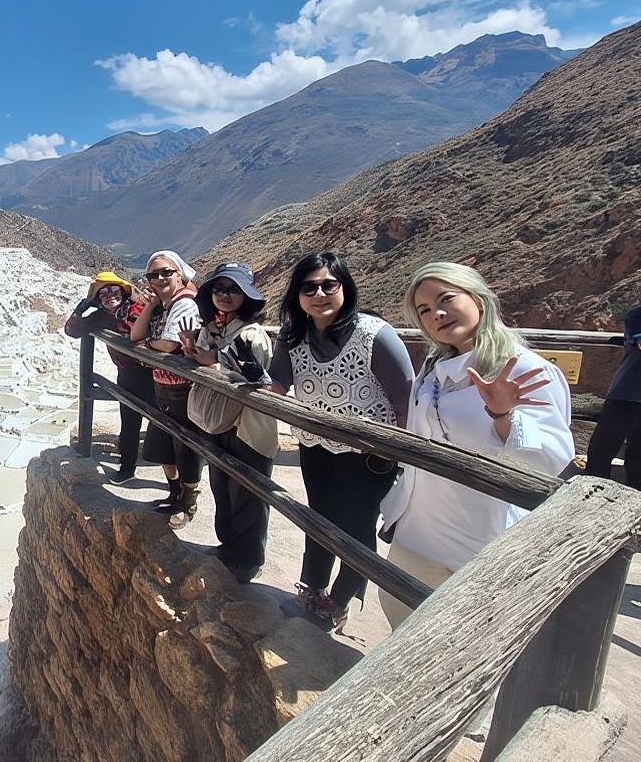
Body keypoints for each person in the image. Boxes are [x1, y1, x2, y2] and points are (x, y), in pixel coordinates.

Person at [379, 263, 574, 628]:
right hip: (417, 531)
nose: (436, 313)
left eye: (446, 298)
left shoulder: (523, 369)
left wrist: (503, 416)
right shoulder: (435, 367)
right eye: (423, 310)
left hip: (479, 541)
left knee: (458, 639)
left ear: (478, 299)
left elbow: (550, 460)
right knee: (400, 615)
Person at [266, 252, 414, 632]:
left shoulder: (373, 335)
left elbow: (404, 398)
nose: (319, 294)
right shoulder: (293, 336)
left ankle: (342, 597)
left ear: (344, 288)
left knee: (356, 524)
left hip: (369, 453)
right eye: (309, 287)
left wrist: (399, 453)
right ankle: (312, 585)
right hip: (315, 444)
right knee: (319, 514)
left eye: (328, 285)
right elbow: (278, 383)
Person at [180, 262, 276, 583]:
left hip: (248, 427)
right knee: (222, 485)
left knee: (248, 492)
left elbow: (231, 368)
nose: (225, 295)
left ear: (246, 295)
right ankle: (227, 547)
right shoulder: (213, 329)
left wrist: (204, 356)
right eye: (219, 289)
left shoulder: (252, 335)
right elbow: (209, 359)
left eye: (233, 289)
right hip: (221, 421)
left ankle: (246, 561)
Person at [129, 249, 203, 526]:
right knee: (163, 446)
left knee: (186, 446)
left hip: (184, 389)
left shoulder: (185, 304)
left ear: (179, 274)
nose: (159, 278)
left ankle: (188, 501)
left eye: (166, 273)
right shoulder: (165, 305)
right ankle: (174, 493)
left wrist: (146, 346)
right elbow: (135, 334)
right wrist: (150, 305)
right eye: (153, 275)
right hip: (162, 384)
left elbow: (169, 344)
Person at [64, 271, 154, 483]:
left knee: (161, 421)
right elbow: (72, 330)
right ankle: (127, 467)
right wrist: (81, 309)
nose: (109, 296)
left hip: (152, 373)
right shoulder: (100, 317)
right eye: (103, 293)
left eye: (114, 290)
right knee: (129, 422)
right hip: (128, 374)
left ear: (123, 292)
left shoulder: (136, 309)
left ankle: (171, 474)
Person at [584, 305, 641, 488]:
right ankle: (587, 500)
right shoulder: (637, 315)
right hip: (626, 395)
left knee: (637, 458)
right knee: (602, 451)